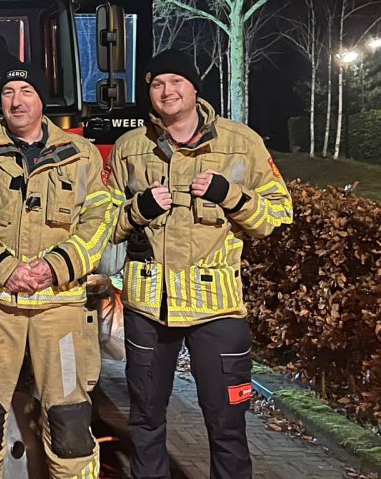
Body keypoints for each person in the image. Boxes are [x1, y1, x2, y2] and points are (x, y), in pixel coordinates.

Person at [108, 50, 293, 479]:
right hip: (148, 309)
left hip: (218, 308)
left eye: (176, 82)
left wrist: (233, 196)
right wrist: (138, 209)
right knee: (145, 421)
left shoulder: (241, 142)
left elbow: (278, 216)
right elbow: (102, 225)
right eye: (157, 84)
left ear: (194, 89)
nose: (167, 92)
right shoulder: (129, 149)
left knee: (227, 426)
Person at [0, 63, 119, 479]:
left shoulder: (82, 155)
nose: (16, 100)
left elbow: (100, 222)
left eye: (25, 90)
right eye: (8, 92)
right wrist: (5, 269)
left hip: (60, 310)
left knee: (70, 424)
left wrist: (55, 268)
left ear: (42, 99)